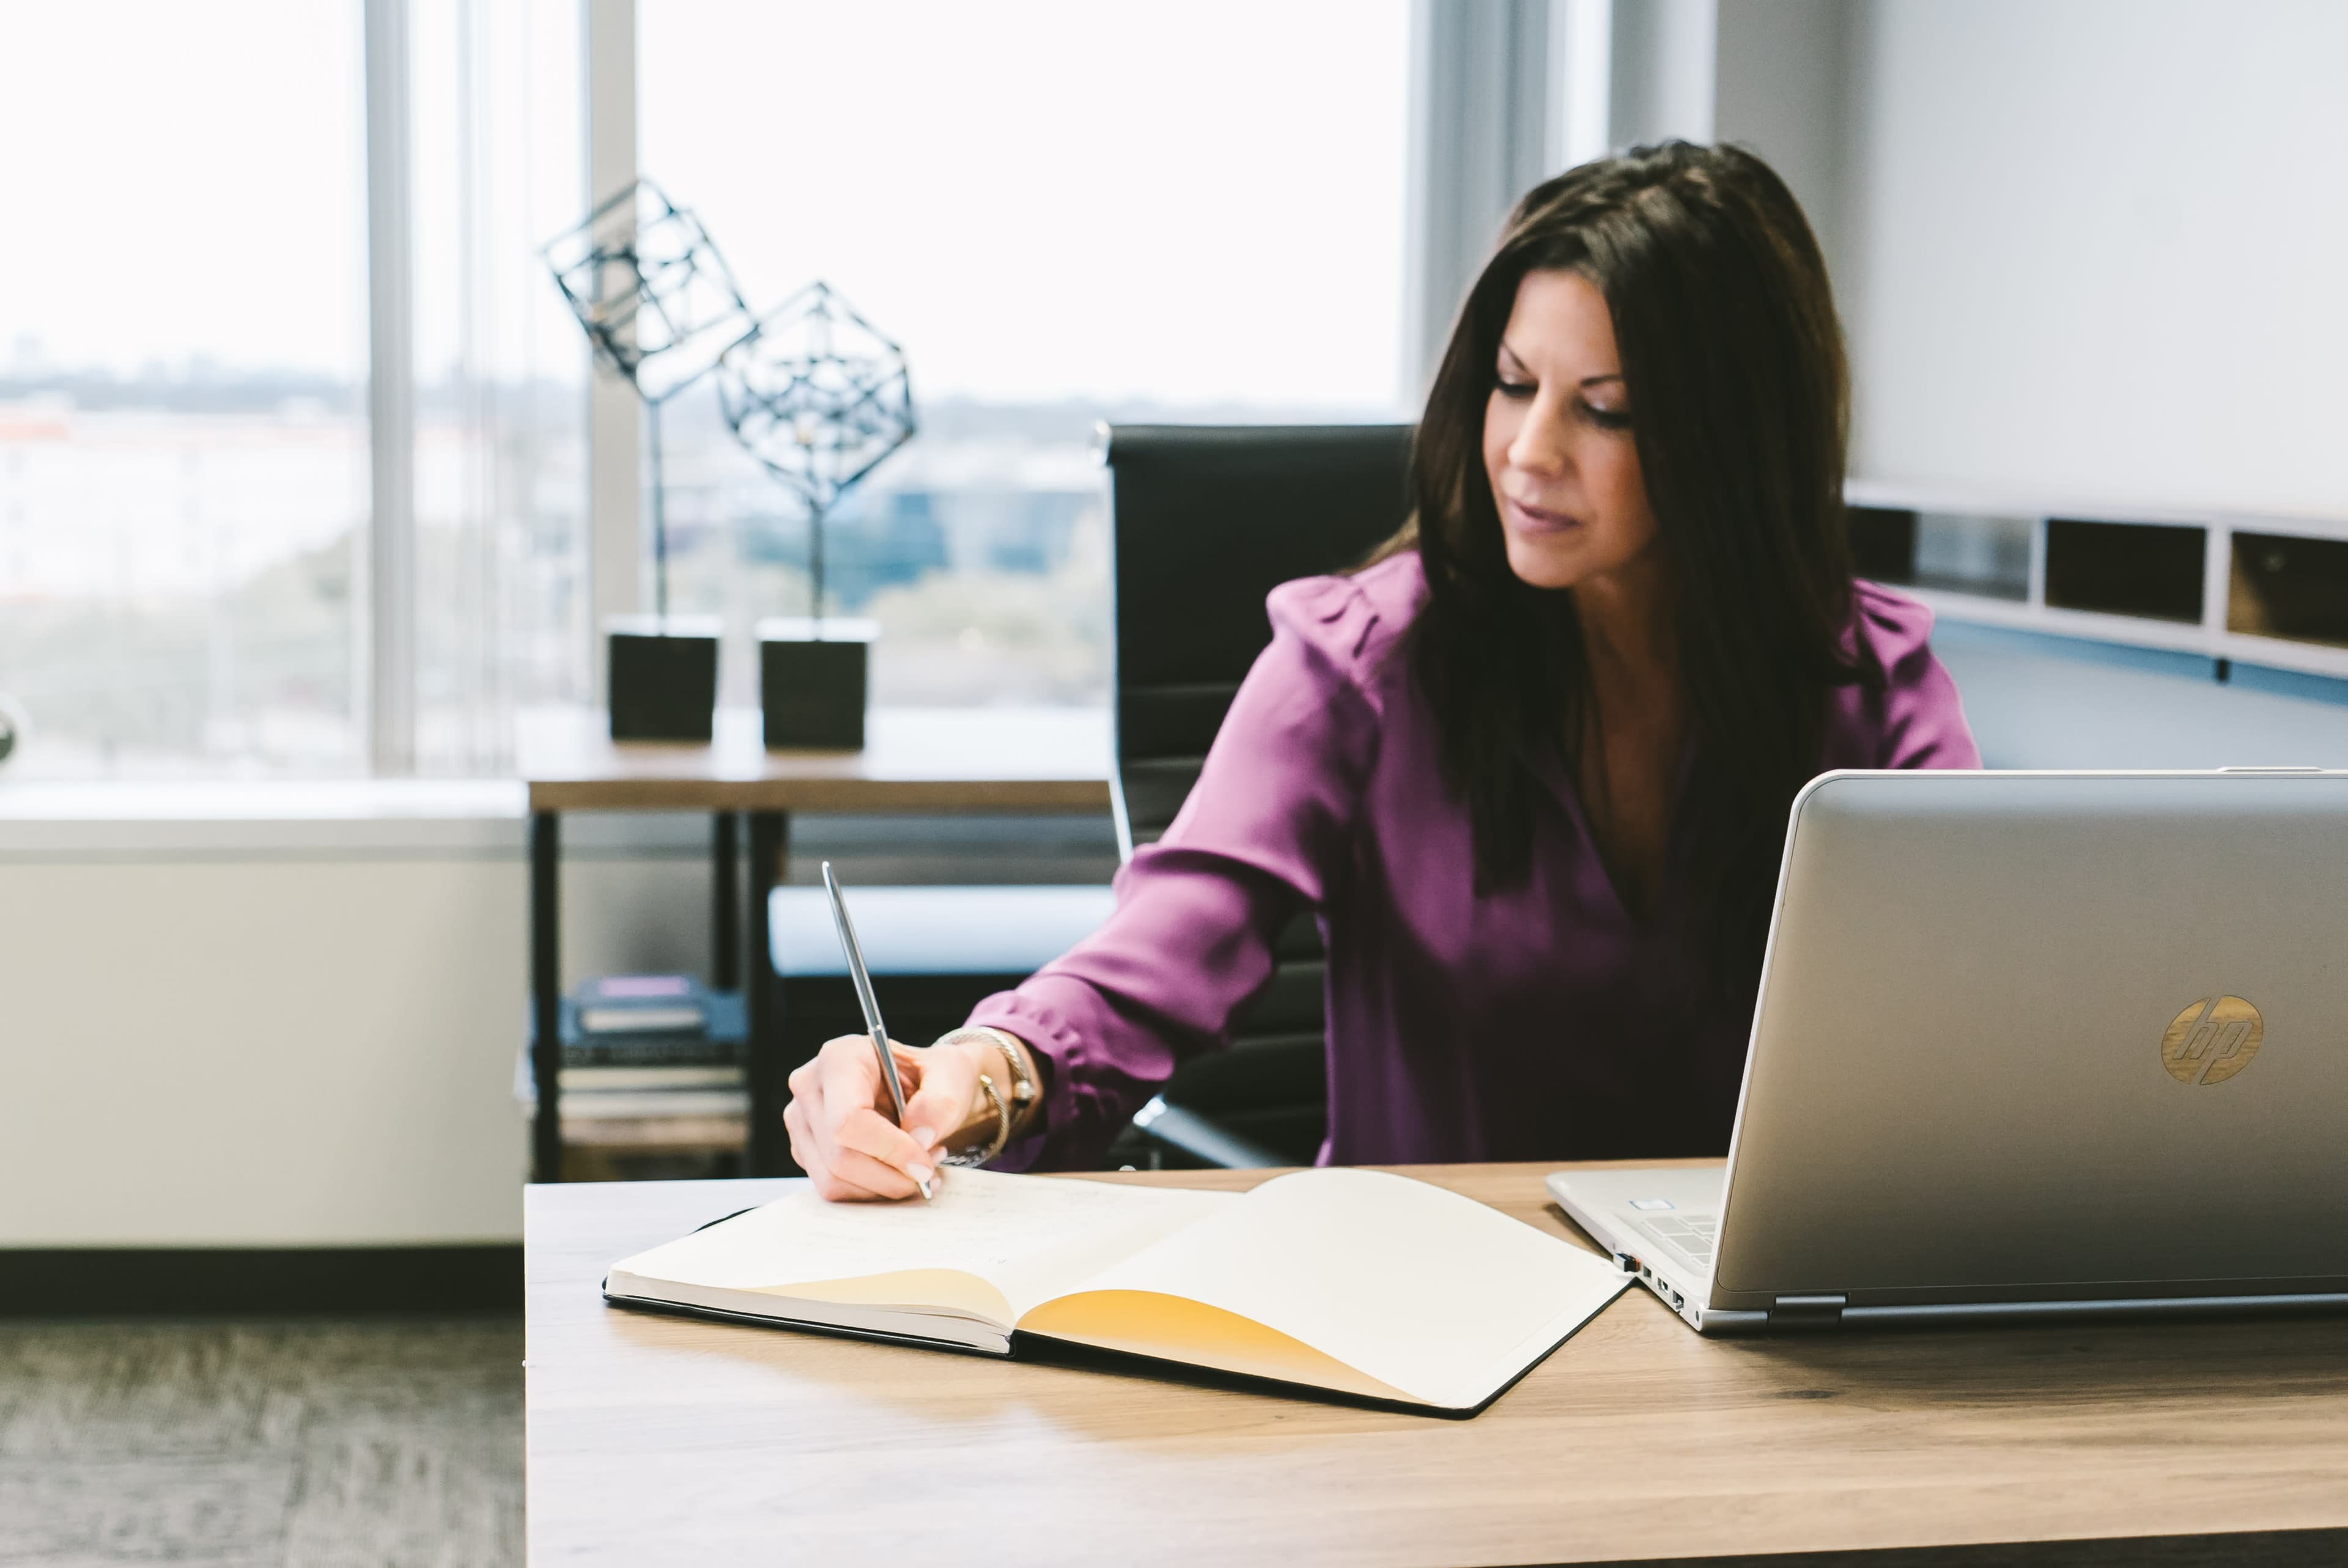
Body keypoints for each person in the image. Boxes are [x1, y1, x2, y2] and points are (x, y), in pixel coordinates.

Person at [783, 141, 1981, 1201]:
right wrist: (973, 1074)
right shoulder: (1362, 663)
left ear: (1734, 441)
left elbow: (1987, 994)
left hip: (1755, 1341)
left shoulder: (1863, 681)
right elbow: (1155, 961)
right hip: (1430, 1326)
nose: (1528, 449)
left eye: (1603, 409)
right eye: (1513, 386)